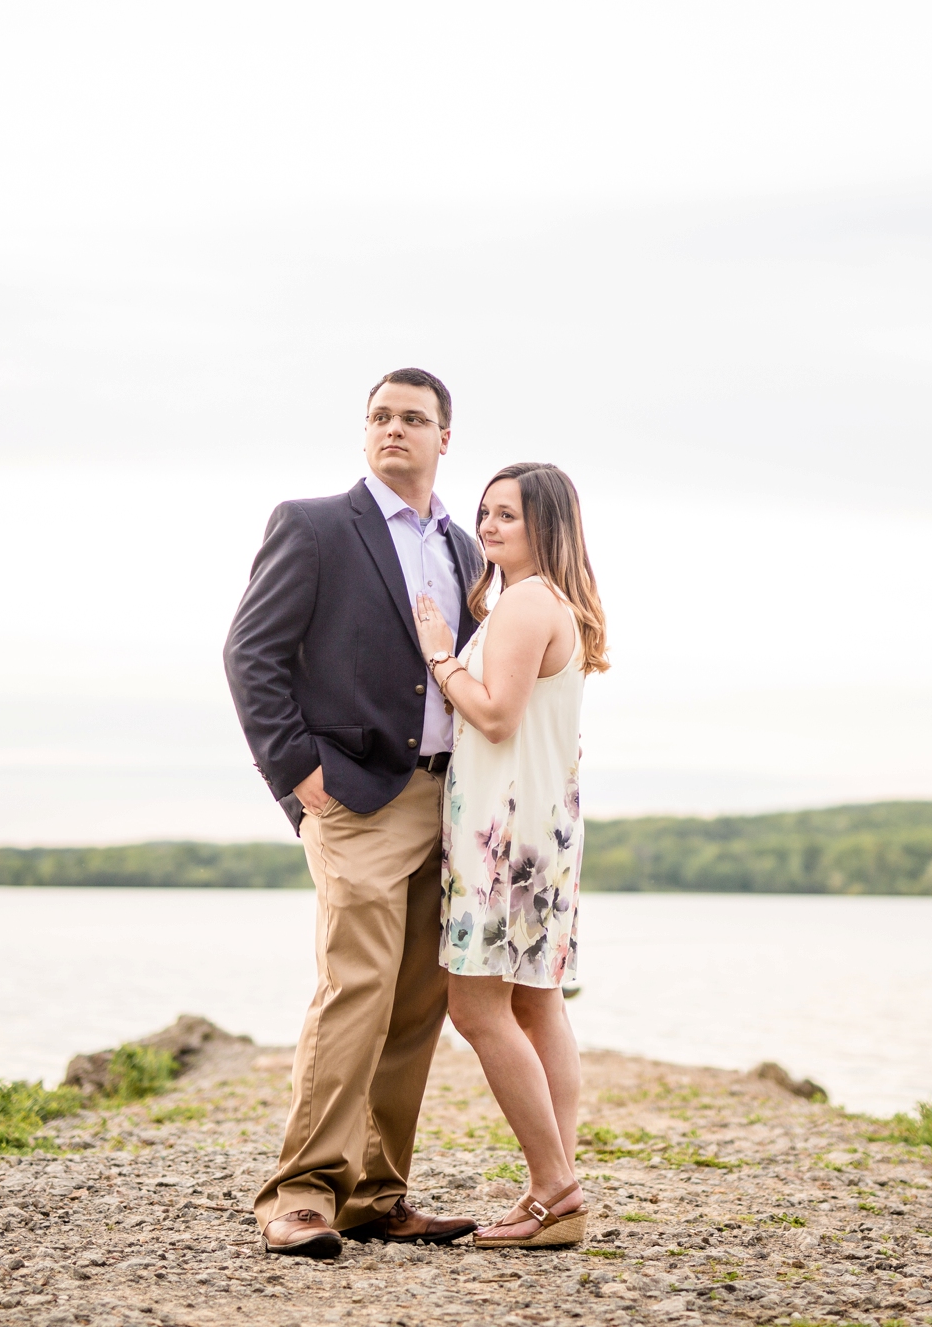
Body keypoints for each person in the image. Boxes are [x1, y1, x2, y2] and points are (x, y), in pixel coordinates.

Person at [224, 367, 483, 1258]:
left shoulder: (466, 549)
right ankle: (299, 1194)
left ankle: (377, 1192)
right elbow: (251, 653)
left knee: (419, 999)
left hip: (449, 800)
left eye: (414, 418)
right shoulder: (316, 524)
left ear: (445, 436)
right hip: (356, 798)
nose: (394, 429)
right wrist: (300, 776)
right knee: (358, 986)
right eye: (380, 416)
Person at [411, 462, 608, 1249]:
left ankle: (556, 1190)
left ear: (547, 526)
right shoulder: (554, 601)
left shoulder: (526, 602)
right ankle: (549, 1187)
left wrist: (439, 652)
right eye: (486, 513)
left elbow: (494, 715)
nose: (489, 528)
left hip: (505, 836)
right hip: (540, 828)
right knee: (536, 1002)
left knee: (477, 1007)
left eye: (508, 517)